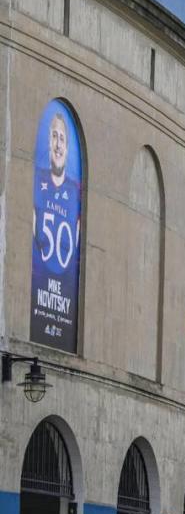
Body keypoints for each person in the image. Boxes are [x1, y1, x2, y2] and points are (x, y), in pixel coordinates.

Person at [32, 107, 81, 348]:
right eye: (54, 137)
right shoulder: (38, 180)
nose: (58, 145)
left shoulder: (75, 192)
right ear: (49, 142)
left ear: (68, 148)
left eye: (62, 139)